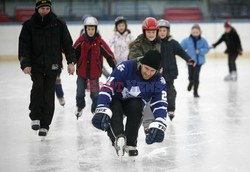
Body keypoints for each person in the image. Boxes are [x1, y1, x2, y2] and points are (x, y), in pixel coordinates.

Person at [92, 50, 167, 157]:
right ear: (141, 63)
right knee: (114, 109)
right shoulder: (125, 67)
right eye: (146, 68)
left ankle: (131, 143)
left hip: (134, 103)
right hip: (116, 100)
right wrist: (101, 105)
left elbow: (160, 103)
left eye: (152, 70)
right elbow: (108, 87)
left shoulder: (159, 80)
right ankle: (118, 138)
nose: (148, 73)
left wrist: (160, 122)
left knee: (136, 107)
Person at [18, 0, 76, 137]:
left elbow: (68, 44)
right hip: (36, 65)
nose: (45, 10)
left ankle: (45, 125)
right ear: (37, 9)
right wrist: (25, 63)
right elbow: (24, 47)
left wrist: (71, 61)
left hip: (53, 64)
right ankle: (36, 117)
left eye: (47, 8)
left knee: (49, 93)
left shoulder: (58, 24)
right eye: (42, 8)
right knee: (38, 86)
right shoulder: (29, 26)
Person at [73, 16, 116, 119]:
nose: (91, 31)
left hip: (94, 73)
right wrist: (71, 62)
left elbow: (108, 54)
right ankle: (80, 107)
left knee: (95, 95)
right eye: (89, 29)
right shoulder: (81, 40)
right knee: (79, 93)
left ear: (96, 29)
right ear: (85, 29)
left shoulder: (99, 42)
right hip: (82, 72)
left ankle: (95, 109)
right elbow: (74, 52)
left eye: (93, 29)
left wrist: (114, 65)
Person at [157, 19, 195, 120]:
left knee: (170, 91)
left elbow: (181, 52)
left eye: (164, 30)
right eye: (160, 30)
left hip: (169, 72)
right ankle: (157, 110)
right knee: (157, 91)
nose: (162, 33)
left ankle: (171, 109)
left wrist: (189, 59)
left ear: (168, 31)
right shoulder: (154, 43)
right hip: (157, 73)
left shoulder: (173, 43)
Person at [181, 24, 209, 98]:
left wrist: (200, 51)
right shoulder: (187, 40)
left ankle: (195, 92)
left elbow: (207, 48)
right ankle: (191, 82)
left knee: (196, 76)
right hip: (190, 61)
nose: (195, 33)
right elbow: (180, 47)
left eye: (197, 32)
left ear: (200, 32)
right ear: (191, 32)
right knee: (191, 75)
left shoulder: (203, 40)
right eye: (194, 32)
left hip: (199, 62)